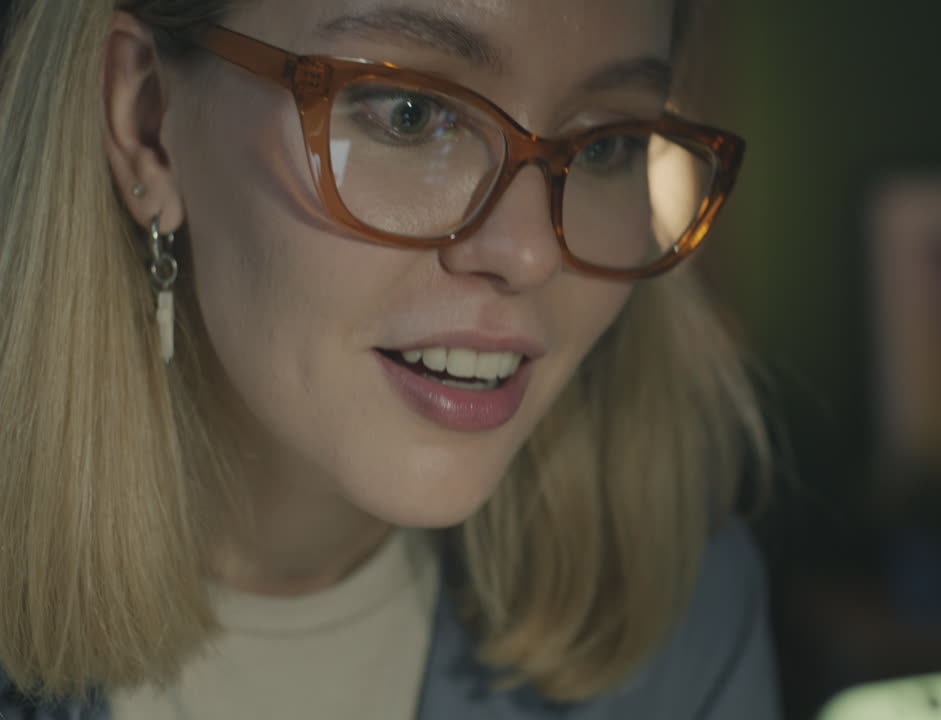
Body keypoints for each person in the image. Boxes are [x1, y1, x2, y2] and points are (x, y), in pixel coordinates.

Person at [0, 0, 777, 718]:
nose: (530, 251)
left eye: (608, 143)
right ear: (146, 120)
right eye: (412, 114)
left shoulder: (680, 604)